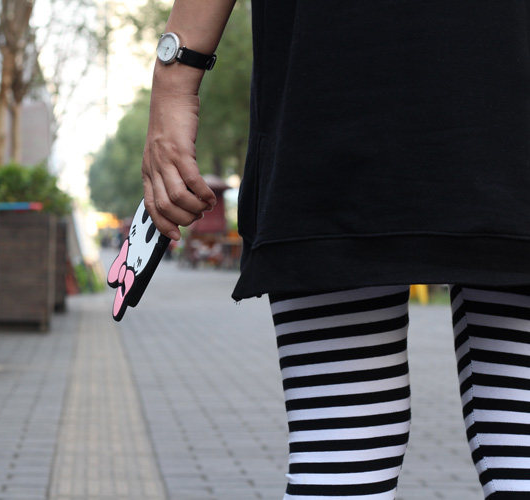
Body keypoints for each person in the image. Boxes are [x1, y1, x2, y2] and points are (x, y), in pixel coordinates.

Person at [140, 1, 530, 498]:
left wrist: (174, 80)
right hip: (370, 81)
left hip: (334, 83)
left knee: (342, 443)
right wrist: (173, 84)